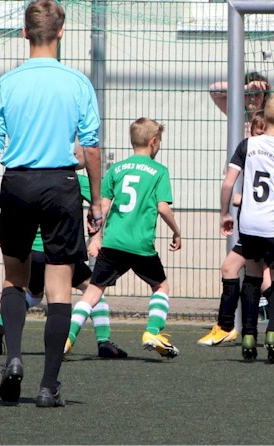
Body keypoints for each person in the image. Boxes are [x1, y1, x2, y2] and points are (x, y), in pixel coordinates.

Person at [0, 0, 102, 408]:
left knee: (14, 277)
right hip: (62, 183)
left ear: (24, 33)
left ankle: (13, 359)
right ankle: (48, 385)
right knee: (60, 287)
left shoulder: (7, 83)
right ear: (61, 32)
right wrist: (96, 201)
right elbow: (93, 148)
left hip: (17, 183)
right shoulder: (77, 82)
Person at [0, 147, 126, 359]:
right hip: (56, 253)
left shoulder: (32, 178)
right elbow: (103, 203)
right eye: (79, 151)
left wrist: (4, 235)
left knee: (33, 294)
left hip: (32, 253)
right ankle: (103, 342)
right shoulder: (73, 181)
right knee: (94, 289)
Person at [64, 118, 182, 360]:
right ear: (154, 142)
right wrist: (176, 230)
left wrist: (95, 238)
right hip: (140, 245)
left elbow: (102, 207)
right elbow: (162, 207)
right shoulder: (159, 171)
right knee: (160, 286)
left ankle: (67, 339)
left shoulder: (116, 169)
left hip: (113, 243)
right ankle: (152, 332)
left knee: (93, 291)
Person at [201, 111, 274, 350]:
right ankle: (230, 327)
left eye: (259, 131)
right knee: (239, 271)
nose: (257, 136)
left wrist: (236, 203)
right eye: (254, 132)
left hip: (259, 223)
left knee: (263, 279)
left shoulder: (268, 150)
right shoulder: (266, 150)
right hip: (263, 223)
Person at [224, 94, 274, 363]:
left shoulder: (247, 144)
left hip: (248, 222)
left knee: (253, 275)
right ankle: (273, 332)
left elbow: (228, 183)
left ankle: (248, 335)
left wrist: (225, 213)